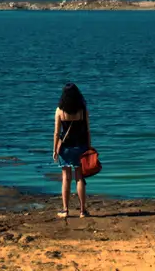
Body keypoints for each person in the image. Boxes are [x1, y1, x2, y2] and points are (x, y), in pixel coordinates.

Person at [52, 82, 91, 218]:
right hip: (81, 146)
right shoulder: (83, 110)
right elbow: (87, 130)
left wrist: (54, 150)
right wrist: (89, 147)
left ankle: (65, 210)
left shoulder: (59, 111)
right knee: (79, 178)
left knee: (66, 178)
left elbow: (57, 133)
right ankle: (82, 211)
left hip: (65, 148)